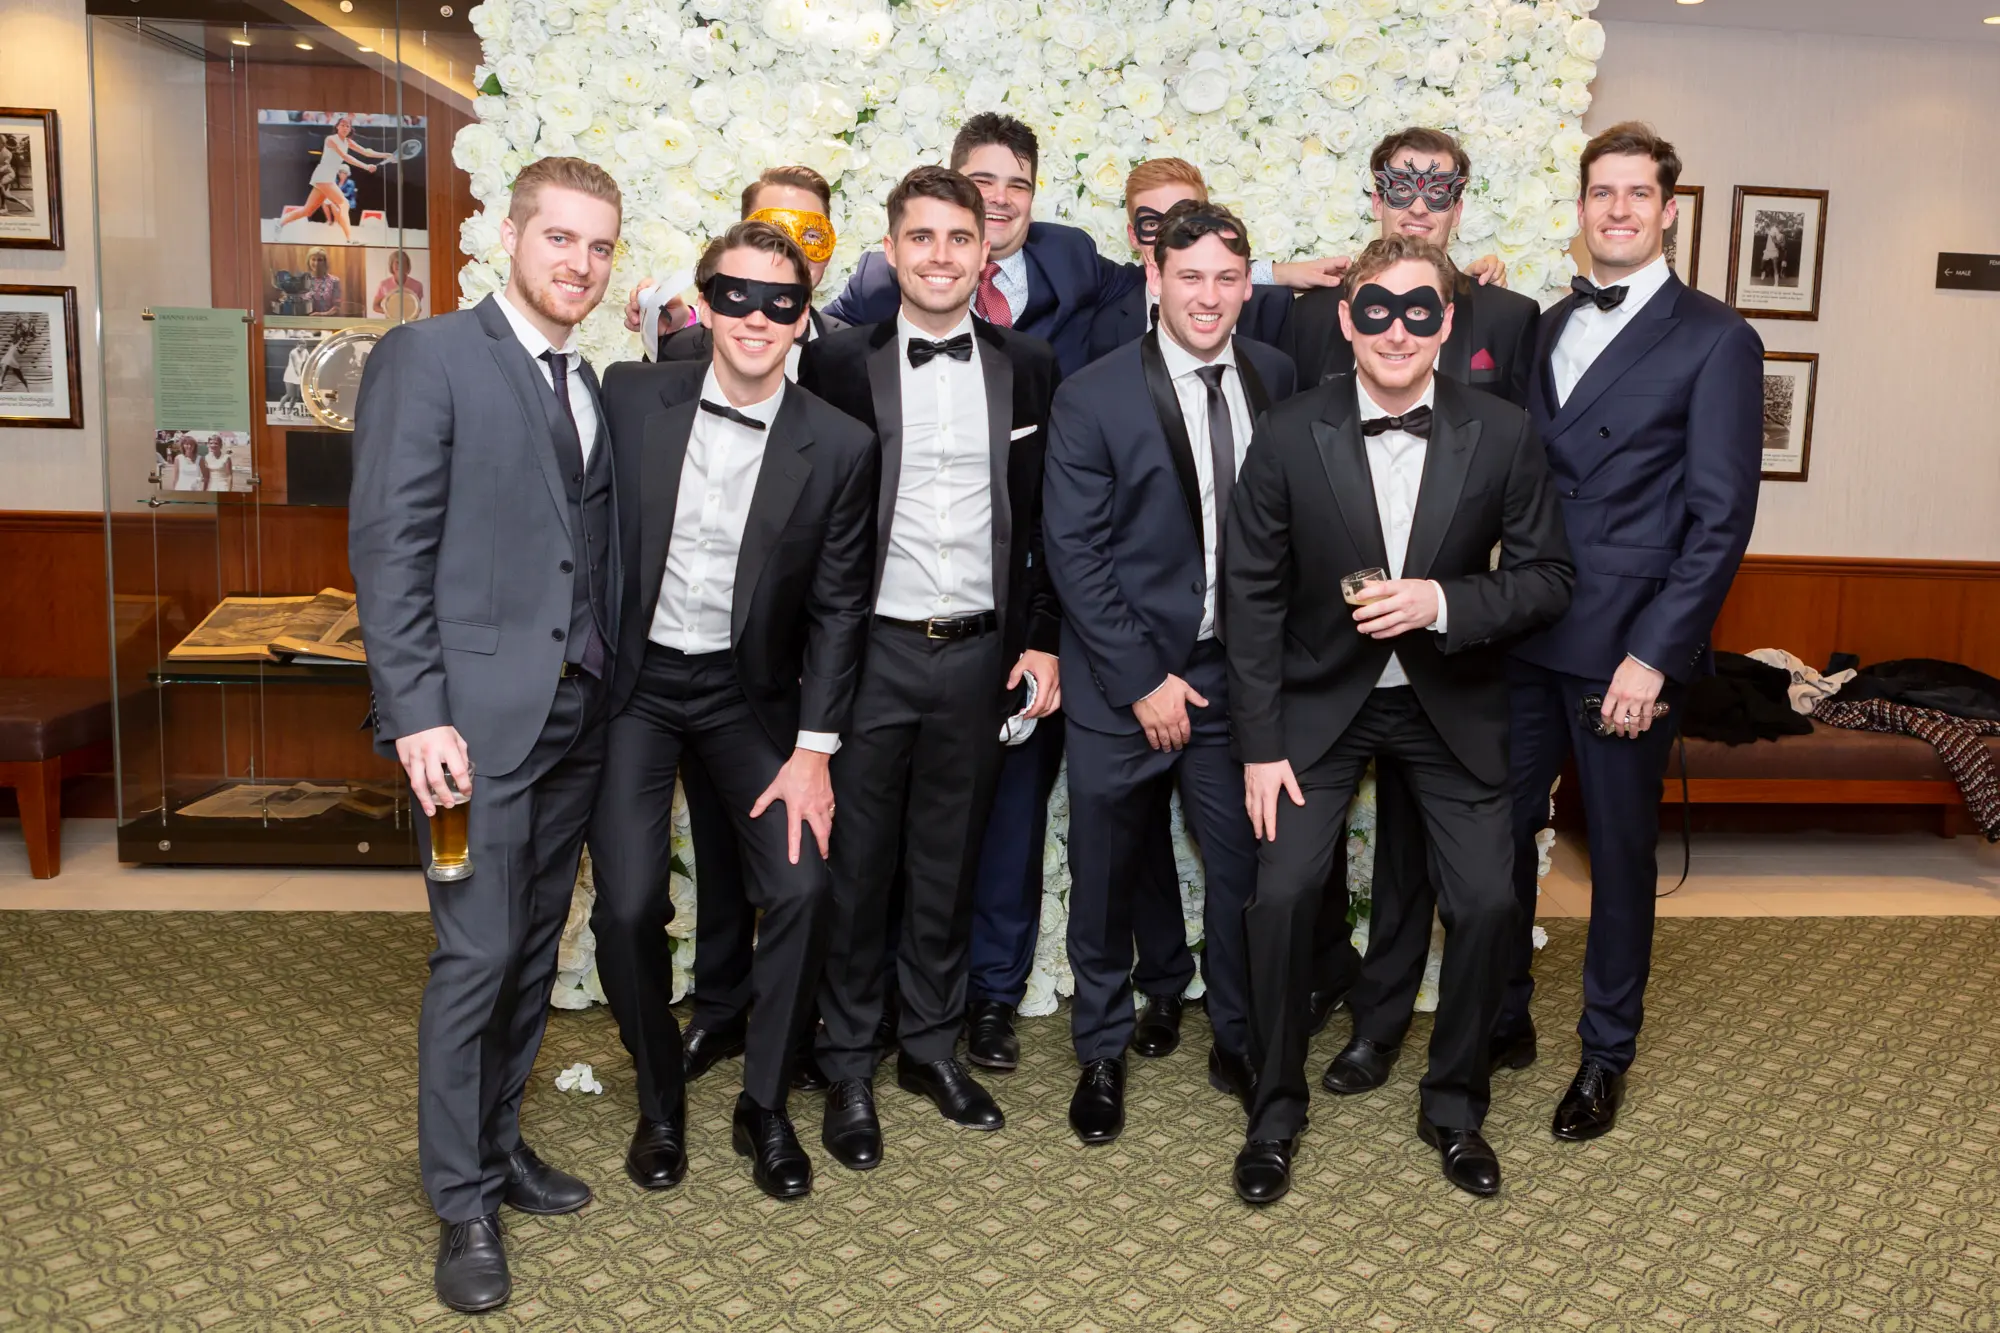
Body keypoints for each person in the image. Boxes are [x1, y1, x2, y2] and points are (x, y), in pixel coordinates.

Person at [1224, 235, 1574, 1205]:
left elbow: (1548, 579)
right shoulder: (1289, 431)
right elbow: (1248, 597)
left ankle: (1454, 1105)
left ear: (1447, 323)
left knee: (1488, 904)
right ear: (1345, 317)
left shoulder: (1501, 432)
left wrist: (1444, 604)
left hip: (1447, 699)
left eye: (1418, 310)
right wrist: (1258, 748)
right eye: (1373, 308)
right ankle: (1273, 1107)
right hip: (1315, 700)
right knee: (1283, 892)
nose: (1394, 329)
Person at [348, 156, 625, 1315]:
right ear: (507, 238)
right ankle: (458, 1199)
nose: (578, 262)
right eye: (559, 238)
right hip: (465, 733)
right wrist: (418, 717)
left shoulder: (589, 378)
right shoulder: (430, 357)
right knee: (471, 956)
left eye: (599, 246)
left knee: (527, 952)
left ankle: (499, 1144)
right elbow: (388, 549)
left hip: (570, 722)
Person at [590, 220, 877, 1203]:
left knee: (799, 889)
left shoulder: (838, 445)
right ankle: (659, 1099)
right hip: (634, 687)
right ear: (703, 301)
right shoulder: (628, 399)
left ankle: (763, 1103)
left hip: (744, 696)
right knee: (628, 903)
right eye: (737, 294)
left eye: (781, 301)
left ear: (805, 319)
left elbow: (840, 606)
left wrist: (813, 751)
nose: (757, 317)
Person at [796, 166, 1062, 1171]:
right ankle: (849, 1064)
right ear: (892, 248)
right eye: (922, 237)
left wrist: (1038, 636)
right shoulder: (835, 364)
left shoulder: (1027, 364)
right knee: (858, 868)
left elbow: (1041, 521)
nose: (942, 255)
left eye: (959, 237)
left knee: (948, 864)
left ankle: (928, 1047)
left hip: (979, 653)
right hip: (871, 654)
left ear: (981, 251)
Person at [1504, 122, 1762, 1143]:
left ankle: (1603, 1055)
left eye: (1634, 194)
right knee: (1493, 839)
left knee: (1614, 858)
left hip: (1621, 651)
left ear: (1666, 210)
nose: (1614, 209)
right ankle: (1500, 1015)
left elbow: (1720, 517)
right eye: (1597, 192)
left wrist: (1653, 655)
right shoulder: (1542, 325)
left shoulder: (1714, 337)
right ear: (1579, 210)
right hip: (1521, 631)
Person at [1041, 200, 1296, 1145]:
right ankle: (1100, 1051)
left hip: (1235, 679)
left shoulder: (1276, 376)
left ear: (1246, 283)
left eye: (1228, 278)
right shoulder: (1093, 392)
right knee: (1104, 876)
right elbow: (1074, 551)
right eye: (1190, 277)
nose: (1210, 296)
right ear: (1154, 278)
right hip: (1122, 680)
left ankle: (1236, 1036)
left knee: (1241, 871)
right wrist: (1144, 677)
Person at [1302, 128, 1547, 1102]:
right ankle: (1374, 1026)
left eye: (1435, 189)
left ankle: (1487, 1028)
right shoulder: (1335, 311)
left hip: (1459, 642)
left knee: (1466, 870)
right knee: (1391, 862)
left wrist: (1460, 609)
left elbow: (1528, 487)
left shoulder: (1511, 315)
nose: (1417, 204)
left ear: (1458, 200)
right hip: (1353, 643)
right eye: (1398, 188)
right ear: (1373, 198)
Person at [625, 166, 849, 379]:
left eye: (811, 235)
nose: (794, 251)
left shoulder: (857, 353)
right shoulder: (681, 347)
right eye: (774, 232)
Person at [1082, 159, 1296, 363]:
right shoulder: (1104, 325)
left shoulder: (1272, 310)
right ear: (1133, 236)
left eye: (1183, 220)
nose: (1167, 237)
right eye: (1151, 225)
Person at [278, 114, 392, 243]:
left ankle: (279, 223)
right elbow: (345, 157)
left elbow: (366, 151)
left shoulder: (348, 141)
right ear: (337, 127)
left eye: (347, 126)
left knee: (307, 211)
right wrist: (366, 166)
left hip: (327, 178)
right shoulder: (331, 139)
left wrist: (386, 155)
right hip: (323, 175)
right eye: (342, 125)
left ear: (350, 129)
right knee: (344, 203)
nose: (345, 127)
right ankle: (350, 238)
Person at [372, 250, 425, 317]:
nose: (400, 265)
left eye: (403, 262)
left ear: (408, 265)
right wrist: (389, 311)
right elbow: (375, 306)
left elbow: (418, 308)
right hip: (390, 322)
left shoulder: (417, 285)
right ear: (391, 265)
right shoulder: (384, 285)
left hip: (410, 322)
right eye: (397, 262)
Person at [303, 248, 343, 316]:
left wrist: (323, 314)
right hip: (305, 321)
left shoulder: (334, 281)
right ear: (308, 261)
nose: (316, 263)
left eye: (320, 260)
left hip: (327, 321)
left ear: (325, 262)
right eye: (313, 259)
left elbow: (337, 308)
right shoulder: (302, 280)